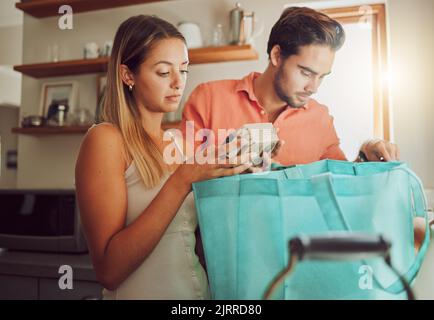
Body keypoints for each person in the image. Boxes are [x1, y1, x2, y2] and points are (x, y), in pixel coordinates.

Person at [181, 7, 426, 249]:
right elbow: (182, 186)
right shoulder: (208, 98)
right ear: (277, 56)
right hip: (222, 260)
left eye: (322, 76)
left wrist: (365, 155)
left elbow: (339, 187)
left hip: (295, 263)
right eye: (306, 72)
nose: (314, 86)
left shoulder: (319, 118)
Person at [75, 15, 251, 300]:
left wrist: (236, 175)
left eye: (183, 70)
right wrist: (182, 181)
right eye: (162, 72)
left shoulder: (179, 142)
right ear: (127, 75)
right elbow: (109, 270)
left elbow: (190, 241)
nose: (178, 82)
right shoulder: (105, 140)